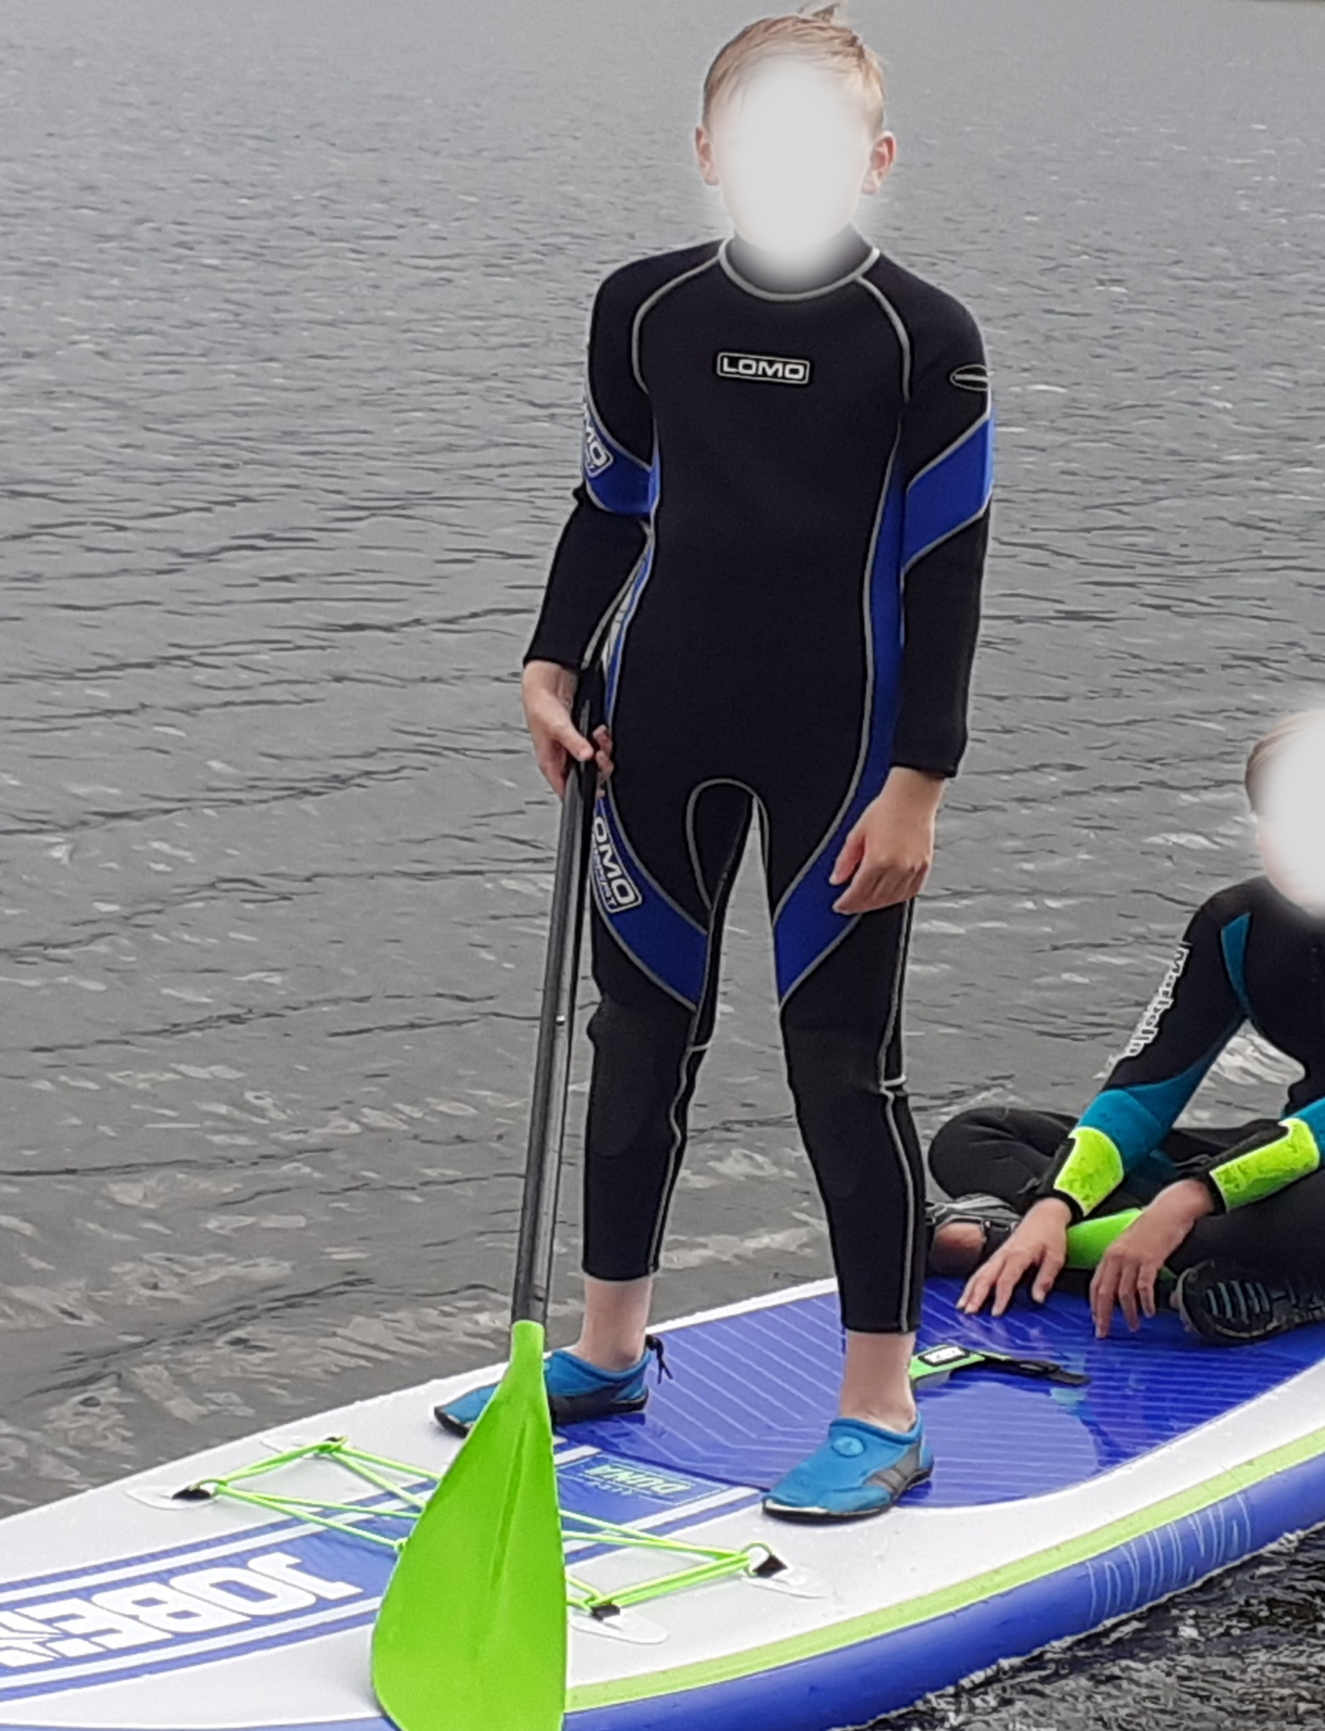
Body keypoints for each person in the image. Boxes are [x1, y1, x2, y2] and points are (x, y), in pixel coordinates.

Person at [440, 5, 993, 1524]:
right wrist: (549, 663)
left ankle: (877, 1407)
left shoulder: (920, 337)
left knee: (839, 1066)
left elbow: (946, 571)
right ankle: (609, 1351)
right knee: (638, 1035)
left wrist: (920, 781)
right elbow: (608, 510)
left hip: (848, 754)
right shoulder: (643, 309)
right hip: (654, 726)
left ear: (875, 158)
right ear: (706, 152)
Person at [938, 708, 1325, 1345]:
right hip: (1284, 1159)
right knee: (975, 1137)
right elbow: (1144, 1091)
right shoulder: (1235, 924)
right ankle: (1183, 1269)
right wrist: (1058, 1202)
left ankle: (1013, 1241)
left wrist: (1188, 1198)